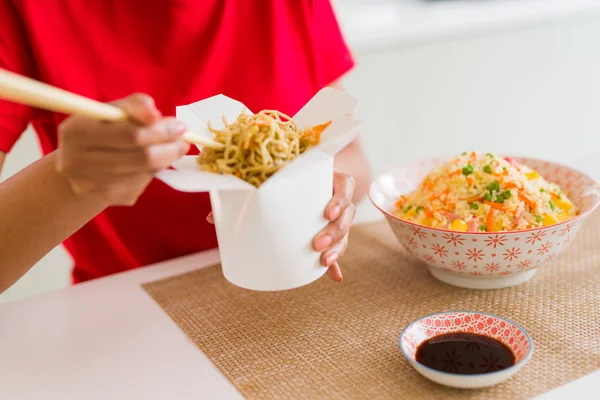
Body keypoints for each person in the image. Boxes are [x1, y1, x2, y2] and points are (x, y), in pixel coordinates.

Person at [0, 0, 371, 293]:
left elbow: (351, 159)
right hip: (126, 310)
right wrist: (70, 181)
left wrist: (324, 197)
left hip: (291, 285)